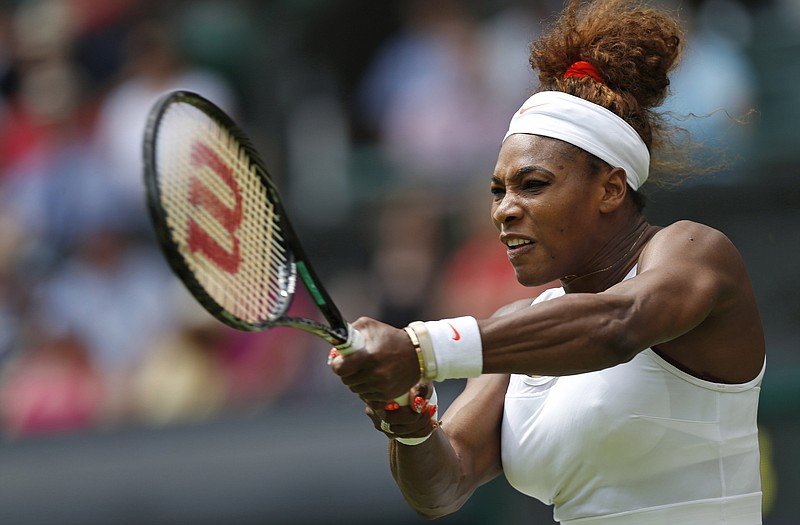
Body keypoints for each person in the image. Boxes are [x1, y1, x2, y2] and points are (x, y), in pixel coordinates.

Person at [329, 0, 766, 523]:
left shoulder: (694, 252)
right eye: (497, 192)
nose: (503, 210)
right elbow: (444, 486)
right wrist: (405, 414)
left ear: (609, 188)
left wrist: (422, 349)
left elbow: (616, 325)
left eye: (532, 185)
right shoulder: (519, 328)